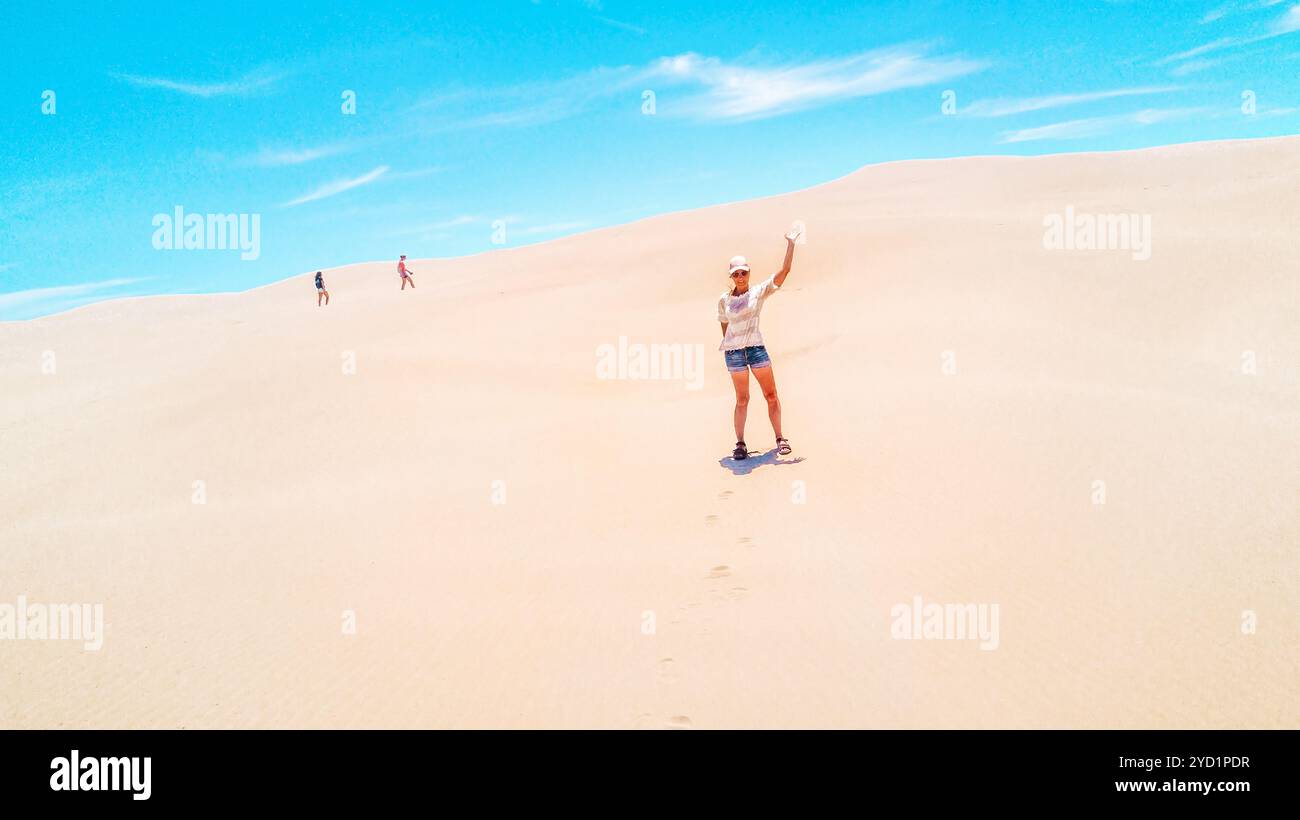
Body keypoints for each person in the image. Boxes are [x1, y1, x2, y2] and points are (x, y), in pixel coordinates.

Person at [716, 229, 801, 460]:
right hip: (734, 355)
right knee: (742, 399)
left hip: (756, 350)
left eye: (743, 272)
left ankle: (780, 438)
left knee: (771, 395)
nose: (740, 276)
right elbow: (724, 324)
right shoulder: (724, 300)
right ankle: (740, 444)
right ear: (731, 276)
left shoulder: (758, 292)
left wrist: (791, 245)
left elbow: (784, 273)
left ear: (749, 272)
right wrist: (730, 342)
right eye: (736, 274)